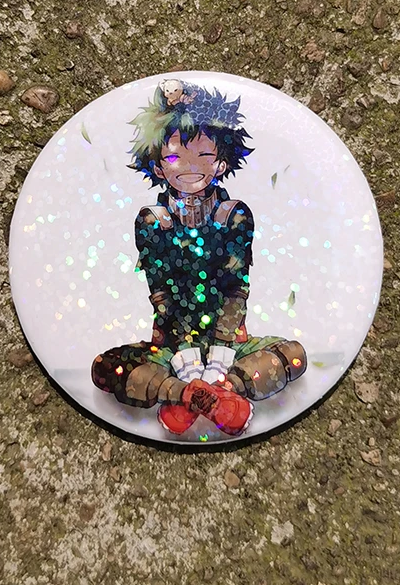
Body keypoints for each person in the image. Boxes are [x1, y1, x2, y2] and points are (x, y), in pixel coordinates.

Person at [91, 80, 306, 436]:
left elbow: (236, 288)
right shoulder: (153, 221)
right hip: (172, 345)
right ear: (158, 167)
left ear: (221, 163)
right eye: (175, 157)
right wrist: (185, 361)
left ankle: (222, 390)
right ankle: (186, 393)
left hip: (230, 343)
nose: (189, 166)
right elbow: (161, 293)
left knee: (294, 354)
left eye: (204, 156)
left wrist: (220, 360)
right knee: (105, 367)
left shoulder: (234, 214)